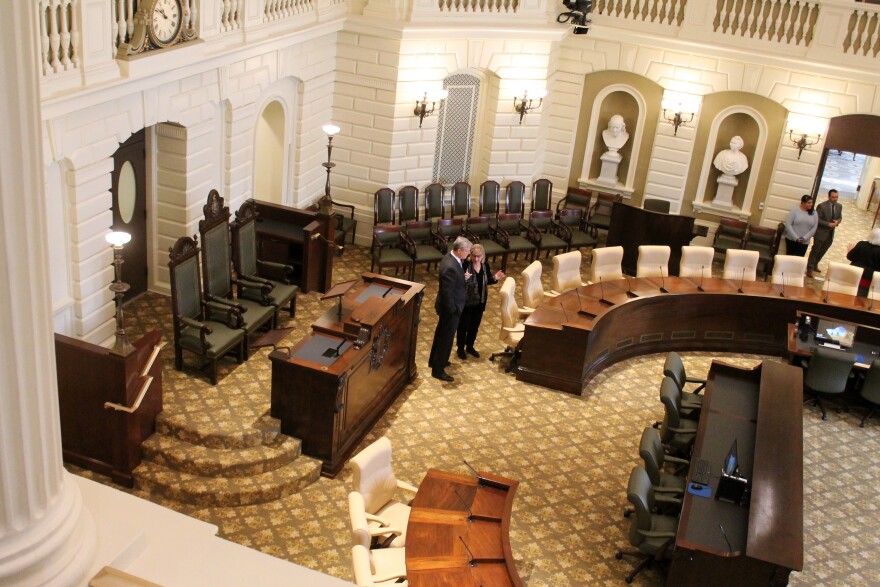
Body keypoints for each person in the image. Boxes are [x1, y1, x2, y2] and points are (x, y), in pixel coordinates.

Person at [428, 236, 472, 382]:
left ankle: (435, 361)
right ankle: (438, 369)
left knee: (441, 334)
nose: (469, 254)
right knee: (445, 339)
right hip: (450, 309)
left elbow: (452, 284)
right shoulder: (451, 267)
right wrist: (454, 310)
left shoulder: (450, 257)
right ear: (459, 251)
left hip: (449, 307)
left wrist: (462, 278)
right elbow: (447, 293)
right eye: (467, 251)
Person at [456, 244, 504, 360]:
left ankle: (470, 347)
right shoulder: (465, 265)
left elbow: (487, 280)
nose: (476, 259)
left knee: (474, 327)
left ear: (483, 256)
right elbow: (457, 282)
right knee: (463, 327)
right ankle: (460, 348)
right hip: (467, 303)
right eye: (474, 256)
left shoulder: (485, 265)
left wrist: (495, 278)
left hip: (480, 302)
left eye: (479, 256)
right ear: (470, 255)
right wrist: (463, 278)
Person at [806, 189, 841, 278]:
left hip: (830, 234)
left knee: (823, 250)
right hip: (820, 233)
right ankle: (809, 268)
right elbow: (817, 219)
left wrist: (837, 222)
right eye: (833, 197)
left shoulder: (839, 206)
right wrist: (828, 224)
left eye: (836, 197)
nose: (835, 199)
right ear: (829, 196)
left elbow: (840, 217)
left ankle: (815, 264)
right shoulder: (822, 206)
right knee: (816, 250)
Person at [847, 228, 880, 297]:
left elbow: (849, 257)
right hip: (869, 280)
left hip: (853, 275)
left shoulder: (861, 244)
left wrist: (850, 251)